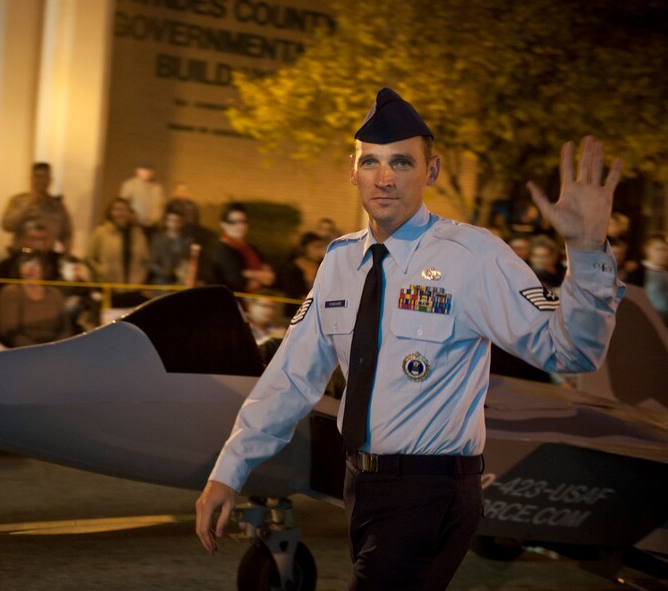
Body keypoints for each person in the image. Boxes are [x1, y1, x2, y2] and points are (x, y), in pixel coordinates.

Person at [194, 88, 625, 591]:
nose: (384, 178)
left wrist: (588, 251)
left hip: (430, 490)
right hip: (360, 483)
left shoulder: (471, 256)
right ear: (352, 171)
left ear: (431, 170)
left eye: (401, 162)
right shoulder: (339, 261)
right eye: (370, 162)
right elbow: (291, 376)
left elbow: (571, 350)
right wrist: (230, 469)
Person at [0, 250, 71, 347]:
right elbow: (10, 331)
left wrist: (57, 348)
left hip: (56, 349)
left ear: (44, 269)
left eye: (35, 265)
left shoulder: (55, 294)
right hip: (22, 350)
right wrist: (36, 350)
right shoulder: (11, 292)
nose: (30, 269)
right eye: (25, 265)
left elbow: (65, 329)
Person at [86, 197, 151, 308]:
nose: (121, 213)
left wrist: (141, 276)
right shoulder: (101, 232)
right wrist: (102, 271)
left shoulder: (138, 233)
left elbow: (146, 259)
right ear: (110, 212)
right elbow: (89, 257)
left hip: (134, 290)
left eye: (124, 209)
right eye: (117, 209)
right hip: (110, 289)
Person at [1, 162, 72, 253]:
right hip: (22, 255)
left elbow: (68, 235)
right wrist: (28, 205)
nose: (41, 181)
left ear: (50, 180)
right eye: (37, 177)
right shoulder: (18, 201)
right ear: (31, 179)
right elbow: (7, 225)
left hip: (48, 256)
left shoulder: (58, 207)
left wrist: (63, 253)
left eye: (44, 177)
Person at [209, 202, 275, 294]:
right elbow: (238, 283)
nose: (241, 226)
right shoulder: (222, 250)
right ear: (223, 224)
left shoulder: (251, 248)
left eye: (243, 221)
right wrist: (260, 276)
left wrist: (249, 274)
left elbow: (270, 278)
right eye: (234, 222)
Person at [626, 234, 668, 326]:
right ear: (648, 250)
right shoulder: (637, 274)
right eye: (659, 249)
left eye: (665, 250)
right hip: (645, 322)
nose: (663, 253)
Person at [149, 206, 193, 285]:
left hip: (181, 281)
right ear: (166, 221)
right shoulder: (158, 239)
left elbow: (189, 260)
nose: (174, 224)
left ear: (182, 222)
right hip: (162, 281)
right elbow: (153, 262)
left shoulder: (187, 240)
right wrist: (167, 272)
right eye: (171, 220)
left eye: (177, 221)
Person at [119, 163, 165, 229]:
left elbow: (162, 205)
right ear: (137, 171)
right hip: (136, 226)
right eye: (144, 169)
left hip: (154, 226)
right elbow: (122, 205)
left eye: (150, 170)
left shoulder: (158, 187)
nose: (147, 172)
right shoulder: (130, 185)